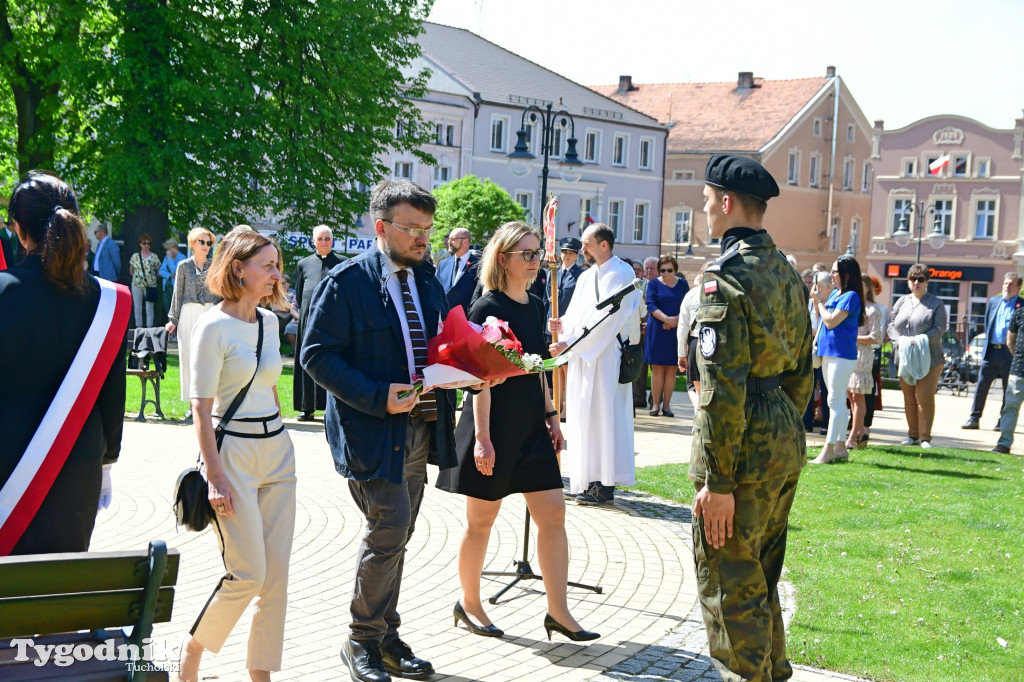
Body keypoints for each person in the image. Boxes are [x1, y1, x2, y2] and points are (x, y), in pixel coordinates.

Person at [301, 180, 475, 682]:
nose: (424, 238)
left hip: (422, 427)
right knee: (389, 528)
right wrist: (378, 395)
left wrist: (470, 368)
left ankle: (386, 635)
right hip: (371, 430)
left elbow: (439, 343)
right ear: (381, 228)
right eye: (412, 229)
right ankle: (361, 640)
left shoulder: (428, 280)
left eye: (428, 228)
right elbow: (316, 356)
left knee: (399, 533)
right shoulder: (347, 282)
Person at [436, 221, 598, 642]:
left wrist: (551, 416)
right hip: (492, 424)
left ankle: (558, 612)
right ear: (503, 258)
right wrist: (483, 439)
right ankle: (469, 604)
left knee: (553, 514)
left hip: (530, 424)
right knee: (481, 522)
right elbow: (478, 381)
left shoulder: (535, 303)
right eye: (526, 254)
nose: (535, 262)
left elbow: (537, 367)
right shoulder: (485, 307)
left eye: (536, 254)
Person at [689, 154, 812, 682]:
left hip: (742, 443)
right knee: (760, 575)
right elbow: (803, 372)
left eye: (706, 202)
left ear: (725, 202)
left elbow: (721, 391)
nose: (704, 212)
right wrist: (782, 424)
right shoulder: (786, 270)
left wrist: (717, 481)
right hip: (783, 430)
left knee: (728, 583)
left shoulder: (726, 279)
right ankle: (773, 672)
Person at [176, 230, 296, 682]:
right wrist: (215, 476)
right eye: (266, 265)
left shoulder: (269, 322)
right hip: (234, 455)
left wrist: (283, 434)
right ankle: (192, 652)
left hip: (278, 453)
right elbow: (201, 410)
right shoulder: (211, 324)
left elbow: (269, 386)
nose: (275, 273)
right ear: (238, 268)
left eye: (277, 264)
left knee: (277, 578)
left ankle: (260, 675)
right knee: (248, 572)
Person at [0, 170, 129, 555]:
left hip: (6, 463)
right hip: (76, 465)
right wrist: (107, 461)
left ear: (19, 231)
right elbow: (113, 394)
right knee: (59, 587)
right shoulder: (108, 302)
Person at [548, 223, 640, 505]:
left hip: (605, 356)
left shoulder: (622, 273)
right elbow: (578, 313)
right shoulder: (588, 276)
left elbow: (608, 320)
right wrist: (561, 326)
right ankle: (586, 479)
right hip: (583, 355)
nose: (582, 248)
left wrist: (571, 341)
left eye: (587, 243)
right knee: (582, 415)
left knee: (603, 416)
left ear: (604, 245)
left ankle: (604, 484)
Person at [809, 256, 864, 464]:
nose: (831, 274)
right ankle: (840, 448)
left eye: (835, 271)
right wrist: (818, 302)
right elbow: (821, 318)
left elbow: (831, 321)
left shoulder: (851, 296)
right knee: (838, 400)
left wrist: (820, 302)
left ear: (846, 274)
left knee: (834, 401)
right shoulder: (836, 294)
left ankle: (829, 449)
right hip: (829, 352)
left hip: (841, 354)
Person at [887, 263, 948, 448]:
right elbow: (891, 325)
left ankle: (925, 438)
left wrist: (917, 340)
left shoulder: (936, 304)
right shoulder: (901, 302)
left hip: (929, 358)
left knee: (924, 398)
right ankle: (912, 435)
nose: (916, 282)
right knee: (909, 398)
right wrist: (900, 342)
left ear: (927, 282)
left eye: (920, 279)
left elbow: (939, 329)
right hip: (905, 357)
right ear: (908, 282)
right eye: (913, 279)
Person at [292, 225, 343, 421]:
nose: (323, 242)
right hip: (308, 319)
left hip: (333, 320)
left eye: (327, 239)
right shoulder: (303, 264)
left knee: (332, 360)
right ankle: (307, 407)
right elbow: (298, 293)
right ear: (313, 241)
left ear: (332, 240)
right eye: (320, 239)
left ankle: (332, 406)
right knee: (307, 359)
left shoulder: (342, 262)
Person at [166, 227, 219, 409]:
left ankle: (210, 404)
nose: (205, 246)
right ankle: (192, 406)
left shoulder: (214, 267)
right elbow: (177, 294)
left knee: (210, 358)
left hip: (210, 312)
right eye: (201, 242)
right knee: (188, 357)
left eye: (208, 243)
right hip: (188, 313)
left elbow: (219, 294)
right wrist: (172, 319)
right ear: (192, 244)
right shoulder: (183, 266)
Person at [963, 272, 1024, 430]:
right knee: (981, 385)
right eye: (1005, 283)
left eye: (1011, 284)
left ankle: (1001, 421)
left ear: (1019, 287)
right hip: (991, 351)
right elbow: (987, 323)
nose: (1007, 287)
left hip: (1010, 353)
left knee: (1007, 389)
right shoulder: (994, 301)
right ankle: (974, 418)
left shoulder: (1022, 306)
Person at [645, 254, 689, 417]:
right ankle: (655, 405)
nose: (666, 273)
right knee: (657, 368)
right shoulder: (653, 284)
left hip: (676, 329)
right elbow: (650, 304)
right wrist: (666, 319)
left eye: (669, 270)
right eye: (662, 270)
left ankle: (667, 406)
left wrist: (676, 320)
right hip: (657, 328)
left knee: (671, 369)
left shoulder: (683, 284)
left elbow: (687, 303)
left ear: (675, 270)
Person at [845, 274, 882, 449]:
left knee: (858, 395)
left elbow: (876, 337)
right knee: (852, 396)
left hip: (862, 355)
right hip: (850, 352)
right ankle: (859, 432)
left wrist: (854, 337)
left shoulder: (872, 310)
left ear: (868, 288)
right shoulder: (854, 306)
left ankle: (853, 435)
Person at [802, 271, 833, 434]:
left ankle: (826, 424)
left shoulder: (831, 303)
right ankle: (806, 421)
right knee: (808, 385)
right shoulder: (808, 303)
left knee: (827, 388)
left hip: (825, 349)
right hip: (812, 349)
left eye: (817, 285)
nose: (813, 288)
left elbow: (825, 324)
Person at [993, 299, 1024, 453]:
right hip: (1019, 369)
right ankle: (1004, 443)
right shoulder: (1019, 313)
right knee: (1010, 407)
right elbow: (1010, 341)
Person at [435, 227, 480, 313]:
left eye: (453, 239)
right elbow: (436, 292)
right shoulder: (443, 264)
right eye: (449, 239)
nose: (448, 242)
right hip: (444, 321)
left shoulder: (479, 265)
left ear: (465, 241)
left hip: (467, 321)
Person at [634, 256, 658, 408]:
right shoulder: (639, 285)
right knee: (639, 365)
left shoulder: (661, 285)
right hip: (639, 330)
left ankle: (655, 400)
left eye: (652, 268)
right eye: (646, 268)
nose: (648, 271)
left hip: (656, 330)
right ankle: (638, 398)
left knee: (656, 367)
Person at [129, 233, 161, 328]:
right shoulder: (135, 256)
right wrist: (138, 278)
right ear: (140, 244)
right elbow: (131, 270)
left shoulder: (154, 256)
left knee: (149, 308)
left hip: (150, 285)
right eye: (144, 243)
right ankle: (139, 328)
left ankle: (149, 328)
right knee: (137, 307)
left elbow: (158, 271)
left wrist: (152, 279)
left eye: (148, 243)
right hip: (136, 284)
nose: (146, 245)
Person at [159, 238, 186, 326]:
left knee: (175, 309)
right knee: (167, 308)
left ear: (174, 248)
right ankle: (169, 331)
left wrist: (170, 259)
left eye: (169, 249)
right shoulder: (166, 258)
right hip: (166, 288)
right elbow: (161, 271)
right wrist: (170, 275)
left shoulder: (182, 258)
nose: (167, 252)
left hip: (176, 288)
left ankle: (176, 330)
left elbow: (175, 270)